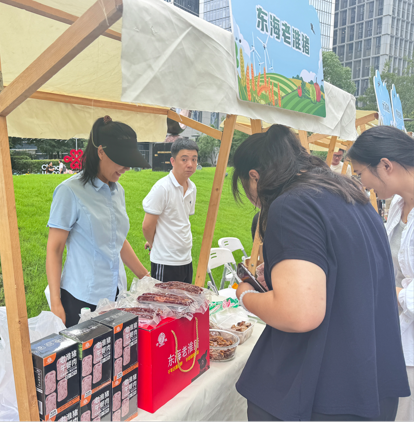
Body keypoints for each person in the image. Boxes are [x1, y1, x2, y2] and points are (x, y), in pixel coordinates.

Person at [231, 124, 409, 421]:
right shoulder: (350, 194)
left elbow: (299, 314)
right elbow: (346, 270)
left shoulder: (292, 204)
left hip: (322, 390)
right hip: (371, 380)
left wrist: (246, 294)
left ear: (254, 176)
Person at [46, 116, 151, 327]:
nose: (126, 168)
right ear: (101, 152)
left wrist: (146, 277)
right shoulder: (70, 191)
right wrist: (56, 304)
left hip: (116, 293)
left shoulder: (117, 191)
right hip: (82, 297)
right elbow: (55, 249)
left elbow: (117, 240)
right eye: (121, 160)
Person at [347, 126, 414, 422]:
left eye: (360, 173)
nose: (362, 183)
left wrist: (392, 292)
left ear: (385, 165)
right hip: (392, 335)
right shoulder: (398, 204)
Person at [142, 137, 198, 283]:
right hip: (165, 261)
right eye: (184, 159)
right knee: (164, 298)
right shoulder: (162, 188)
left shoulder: (192, 188)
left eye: (194, 159)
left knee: (185, 297)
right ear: (173, 161)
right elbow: (147, 226)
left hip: (186, 259)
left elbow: (181, 220)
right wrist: (154, 243)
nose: (190, 164)